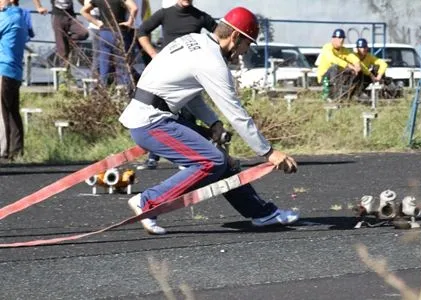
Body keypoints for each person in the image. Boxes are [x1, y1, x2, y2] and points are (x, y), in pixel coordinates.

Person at [119, 6, 299, 235]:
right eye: (247, 43)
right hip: (150, 123)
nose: (245, 51)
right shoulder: (212, 61)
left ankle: (262, 214)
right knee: (211, 161)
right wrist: (269, 153)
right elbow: (236, 114)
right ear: (235, 36)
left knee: (224, 161)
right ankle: (148, 202)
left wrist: (213, 124)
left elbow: (188, 94)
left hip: (152, 115)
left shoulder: (194, 41)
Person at [137, 0, 217, 169]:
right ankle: (153, 157)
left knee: (189, 116)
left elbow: (219, 36)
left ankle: (189, 157)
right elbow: (142, 31)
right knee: (161, 114)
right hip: (167, 74)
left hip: (188, 76)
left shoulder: (200, 16)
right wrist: (153, 54)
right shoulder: (165, 13)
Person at [80, 0, 137, 87]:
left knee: (104, 62)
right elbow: (134, 8)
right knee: (122, 63)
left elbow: (83, 11)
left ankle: (104, 88)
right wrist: (129, 22)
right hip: (119, 32)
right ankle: (125, 89)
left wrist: (97, 22)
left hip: (104, 32)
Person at [0, 0, 28, 161]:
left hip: (3, 68)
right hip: (15, 70)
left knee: (2, 112)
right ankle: (16, 150)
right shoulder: (21, 17)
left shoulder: (6, 18)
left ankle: (3, 150)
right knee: (12, 111)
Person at [32, 0, 89, 67]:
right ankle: (65, 73)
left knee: (84, 33)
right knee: (62, 50)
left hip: (71, 16)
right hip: (57, 16)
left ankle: (68, 41)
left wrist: (87, 7)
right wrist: (39, 7)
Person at [316, 28, 361, 100]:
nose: (341, 40)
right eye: (339, 37)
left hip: (337, 77)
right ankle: (333, 92)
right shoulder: (327, 47)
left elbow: (353, 57)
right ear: (333, 39)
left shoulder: (344, 50)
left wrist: (357, 65)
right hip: (325, 78)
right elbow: (333, 59)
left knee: (354, 72)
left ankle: (351, 94)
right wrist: (349, 65)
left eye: (343, 38)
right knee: (334, 67)